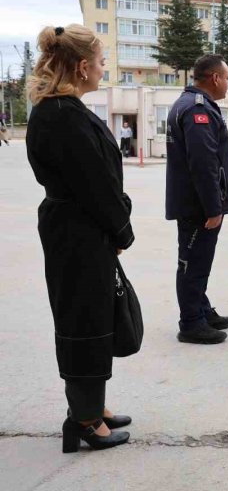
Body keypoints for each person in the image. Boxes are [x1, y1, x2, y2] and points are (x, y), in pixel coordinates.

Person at [25, 24, 134, 453]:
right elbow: (96, 186)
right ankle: (85, 420)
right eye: (102, 61)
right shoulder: (61, 116)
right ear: (83, 66)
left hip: (80, 229)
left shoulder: (63, 110)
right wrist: (120, 229)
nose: (103, 69)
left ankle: (93, 405)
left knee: (94, 315)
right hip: (79, 231)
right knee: (83, 319)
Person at [165, 55, 228, 344]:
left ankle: (202, 309)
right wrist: (213, 207)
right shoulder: (198, 110)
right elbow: (204, 163)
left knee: (198, 261)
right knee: (192, 263)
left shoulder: (191, 103)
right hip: (198, 206)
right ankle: (191, 323)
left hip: (194, 202)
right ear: (215, 78)